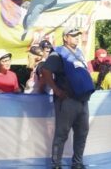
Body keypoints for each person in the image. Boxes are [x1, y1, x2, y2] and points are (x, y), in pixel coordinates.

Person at [42, 27, 95, 169]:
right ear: (65, 37)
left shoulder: (79, 53)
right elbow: (45, 71)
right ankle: (56, 165)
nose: (77, 37)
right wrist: (56, 90)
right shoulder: (57, 54)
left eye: (78, 35)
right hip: (67, 100)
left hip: (83, 101)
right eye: (73, 35)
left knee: (82, 133)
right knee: (61, 134)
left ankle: (77, 164)